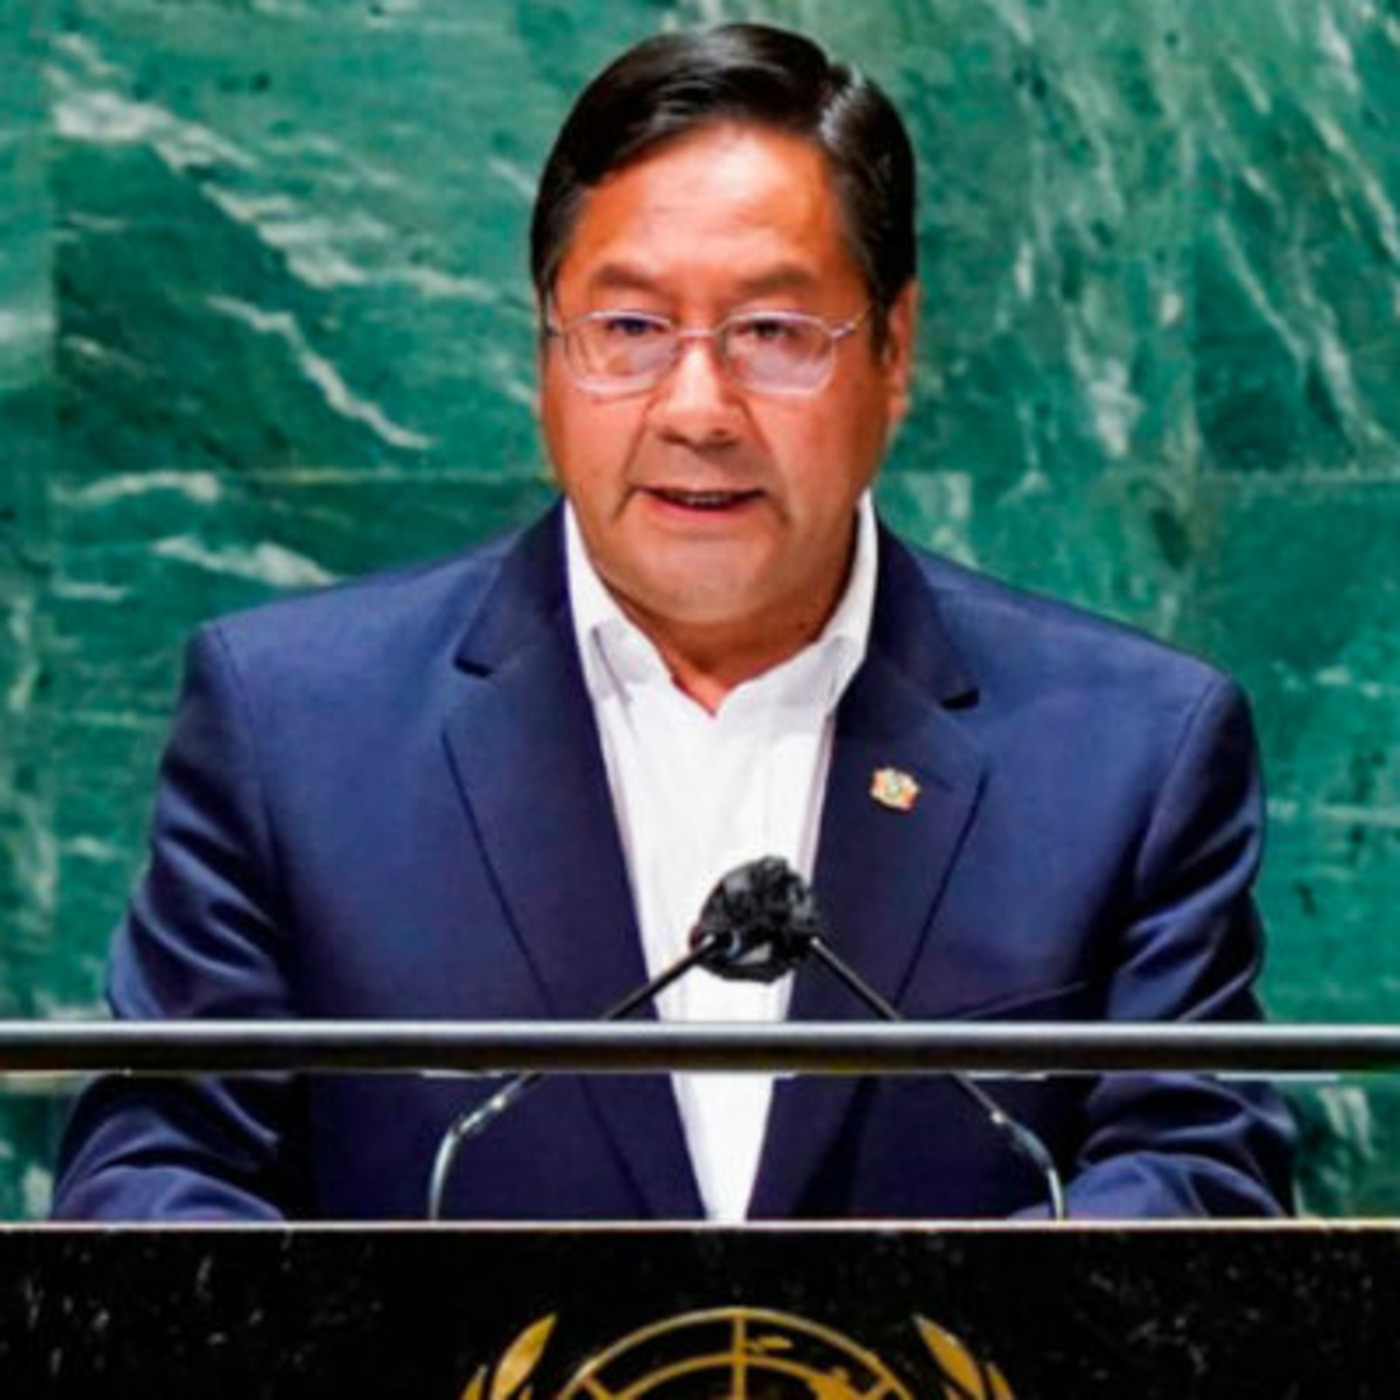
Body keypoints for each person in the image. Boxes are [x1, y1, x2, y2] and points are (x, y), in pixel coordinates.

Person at [52, 23, 1293, 1222]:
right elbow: (156, 1175)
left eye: (772, 332)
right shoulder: (295, 729)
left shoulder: (1127, 751)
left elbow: (1193, 1173)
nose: (697, 407)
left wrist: (907, 1337)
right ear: (546, 349)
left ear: (893, 351)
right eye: (630, 329)